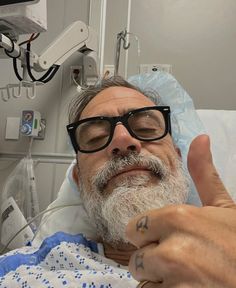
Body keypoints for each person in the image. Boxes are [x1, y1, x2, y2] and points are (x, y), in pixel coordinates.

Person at [0, 76, 236, 288]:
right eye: (96, 138)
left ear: (177, 158)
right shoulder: (22, 270)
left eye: (146, 128)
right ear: (79, 181)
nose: (123, 140)